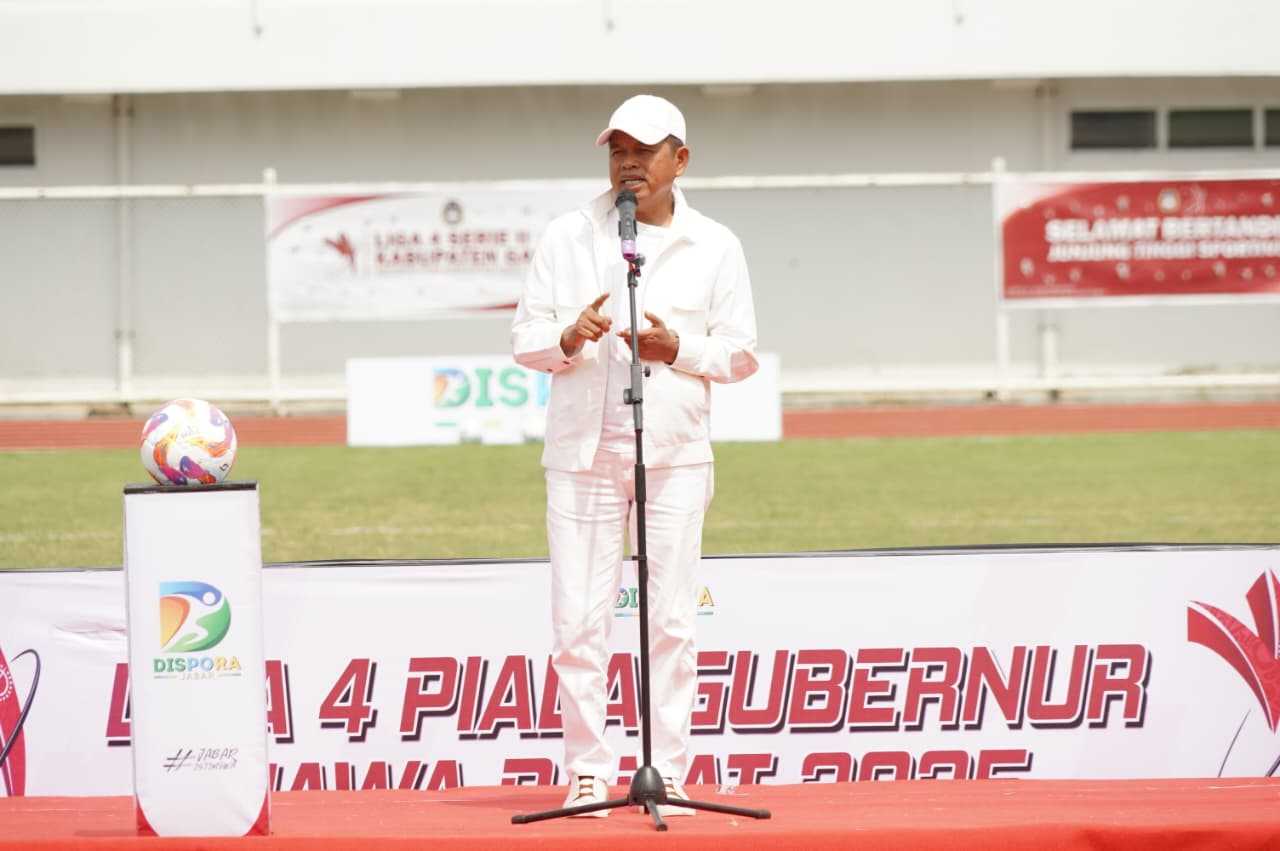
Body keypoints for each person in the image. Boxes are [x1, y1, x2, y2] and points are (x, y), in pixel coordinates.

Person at [511, 94, 758, 817]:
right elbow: (525, 337)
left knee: (673, 620)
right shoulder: (567, 235)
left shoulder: (715, 244)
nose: (627, 162)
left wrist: (676, 347)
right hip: (583, 452)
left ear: (680, 160)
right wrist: (568, 337)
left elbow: (740, 354)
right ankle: (588, 770)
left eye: (643, 150)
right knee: (578, 620)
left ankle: (667, 767)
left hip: (676, 450)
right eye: (617, 148)